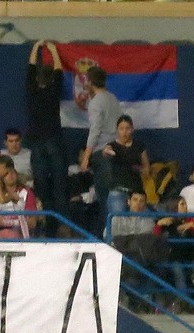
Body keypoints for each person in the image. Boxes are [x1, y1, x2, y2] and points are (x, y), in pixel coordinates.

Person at [26, 40, 69, 228]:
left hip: (37, 142)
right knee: (60, 186)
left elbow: (30, 67)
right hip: (53, 140)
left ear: (37, 79)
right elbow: (60, 70)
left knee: (42, 187)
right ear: (51, 79)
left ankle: (46, 226)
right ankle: (63, 226)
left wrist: (37, 46)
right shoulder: (54, 90)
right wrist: (53, 50)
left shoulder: (31, 91)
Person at [79, 66, 122, 233]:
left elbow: (95, 129)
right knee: (114, 197)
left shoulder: (96, 103)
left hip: (102, 154)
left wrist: (86, 156)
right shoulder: (112, 98)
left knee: (105, 198)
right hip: (115, 152)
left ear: (90, 82)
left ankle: (108, 236)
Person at [154, 196, 194, 290]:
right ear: (175, 206)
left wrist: (193, 227)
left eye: (185, 204)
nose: (186, 207)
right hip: (173, 257)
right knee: (178, 269)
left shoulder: (191, 220)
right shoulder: (167, 221)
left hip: (190, 255)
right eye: (182, 204)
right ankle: (183, 300)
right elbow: (155, 239)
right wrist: (159, 225)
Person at [103, 115, 151, 214]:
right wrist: (108, 152)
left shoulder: (139, 146)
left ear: (132, 129)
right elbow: (106, 151)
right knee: (119, 220)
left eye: (127, 128)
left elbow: (146, 168)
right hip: (118, 191)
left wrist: (138, 169)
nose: (124, 132)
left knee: (146, 220)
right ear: (117, 130)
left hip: (136, 193)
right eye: (121, 129)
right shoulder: (112, 145)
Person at [0, 166, 38, 239]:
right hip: (1, 233)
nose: (11, 175)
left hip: (23, 234)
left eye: (13, 172)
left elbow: (33, 222)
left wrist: (13, 222)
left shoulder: (26, 192)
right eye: (7, 173)